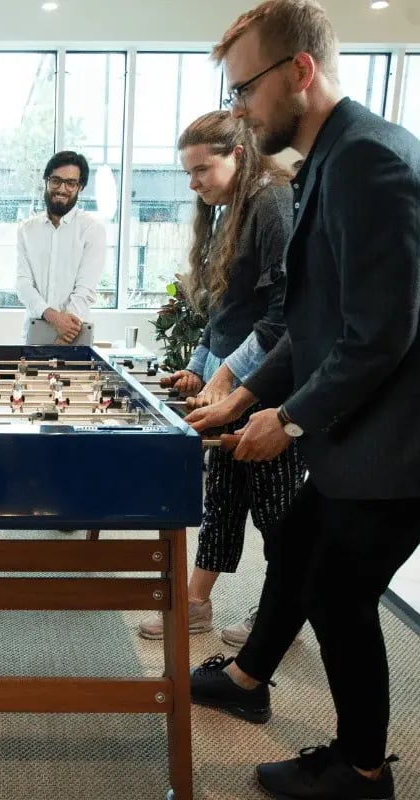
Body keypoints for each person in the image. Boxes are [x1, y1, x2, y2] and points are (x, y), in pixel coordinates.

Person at [185, 3, 420, 797]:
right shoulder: (333, 160)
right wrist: (243, 394)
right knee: (295, 543)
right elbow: (316, 319)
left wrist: (286, 421)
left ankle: (361, 769)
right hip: (380, 417)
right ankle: (251, 678)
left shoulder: (369, 161)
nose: (239, 111)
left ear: (299, 72)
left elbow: (378, 335)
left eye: (245, 90)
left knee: (339, 589)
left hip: (418, 432)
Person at [137, 110, 305, 646]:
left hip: (272, 385)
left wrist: (229, 374)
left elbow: (285, 315)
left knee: (278, 516)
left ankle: (282, 613)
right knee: (224, 500)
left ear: (238, 154)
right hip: (233, 380)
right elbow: (225, 309)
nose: (194, 183)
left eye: (201, 170)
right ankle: (197, 602)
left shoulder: (273, 203)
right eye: (188, 173)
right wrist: (199, 366)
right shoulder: (232, 207)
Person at [15, 151, 107, 344]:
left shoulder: (92, 229)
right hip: (35, 332)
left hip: (76, 335)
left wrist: (63, 337)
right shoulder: (27, 230)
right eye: (56, 180)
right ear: (46, 181)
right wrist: (53, 317)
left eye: (71, 183)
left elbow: (85, 289)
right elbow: (23, 285)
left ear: (80, 187)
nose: (62, 189)